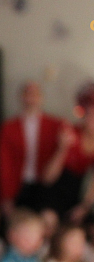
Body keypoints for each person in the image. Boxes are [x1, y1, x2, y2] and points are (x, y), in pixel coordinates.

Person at [0, 81, 64, 216]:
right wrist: (6, 196)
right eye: (28, 93)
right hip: (19, 185)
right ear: (21, 97)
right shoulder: (8, 128)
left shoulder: (56, 125)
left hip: (46, 185)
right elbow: (4, 164)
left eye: (35, 94)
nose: (32, 98)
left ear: (41, 97)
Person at [42, 82, 94, 220]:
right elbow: (48, 178)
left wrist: (84, 207)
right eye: (91, 114)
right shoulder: (70, 134)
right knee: (49, 218)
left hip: (81, 198)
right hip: (55, 194)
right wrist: (62, 148)